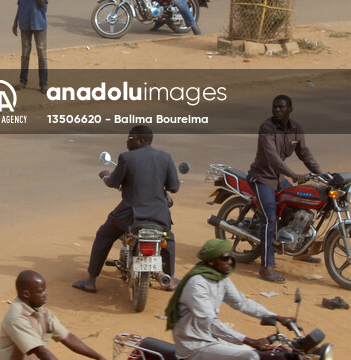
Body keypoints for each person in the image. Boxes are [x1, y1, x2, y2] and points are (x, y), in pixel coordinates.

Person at [73, 125, 180, 294]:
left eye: (130, 138)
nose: (127, 142)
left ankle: (90, 280)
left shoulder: (126, 158)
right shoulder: (165, 157)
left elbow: (113, 183)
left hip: (130, 215)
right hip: (158, 215)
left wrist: (105, 175)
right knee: (169, 240)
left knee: (104, 235)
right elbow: (174, 188)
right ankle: (171, 279)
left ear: (141, 141)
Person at [166, 239, 294, 360]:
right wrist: (250, 340)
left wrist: (277, 317)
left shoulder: (220, 278)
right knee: (251, 356)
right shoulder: (197, 284)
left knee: (261, 353)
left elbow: (242, 303)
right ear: (211, 261)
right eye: (225, 259)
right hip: (194, 345)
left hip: (211, 338)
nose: (230, 262)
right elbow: (210, 322)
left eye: (231, 258)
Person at [247, 94, 323, 284]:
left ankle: (300, 250)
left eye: (281, 107)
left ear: (290, 110)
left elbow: (304, 153)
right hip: (262, 178)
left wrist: (320, 173)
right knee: (269, 217)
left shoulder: (295, 128)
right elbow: (273, 158)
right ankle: (266, 267)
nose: (277, 110)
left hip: (279, 179)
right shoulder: (267, 128)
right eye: (275, 107)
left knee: (299, 206)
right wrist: (293, 174)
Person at [0, 270, 107, 360]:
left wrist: (99, 357)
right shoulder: (17, 317)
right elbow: (40, 350)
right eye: (41, 292)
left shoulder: (41, 311)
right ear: (26, 294)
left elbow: (67, 337)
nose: (46, 294)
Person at [12, 0, 51, 92]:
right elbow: (20, 4)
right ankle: (23, 81)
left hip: (39, 24)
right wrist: (15, 21)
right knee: (25, 53)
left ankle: (43, 84)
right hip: (25, 23)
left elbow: (43, 3)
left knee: (42, 54)